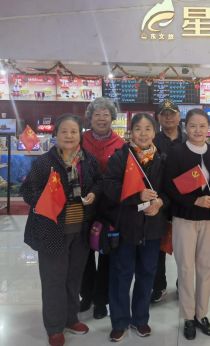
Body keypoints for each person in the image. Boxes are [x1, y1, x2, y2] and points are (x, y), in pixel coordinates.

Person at [21, 114, 104, 346]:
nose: (69, 136)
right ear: (55, 135)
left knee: (74, 278)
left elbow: (100, 181)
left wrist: (93, 193)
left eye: (74, 131)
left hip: (81, 230)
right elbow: (28, 192)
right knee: (53, 280)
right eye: (64, 131)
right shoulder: (44, 162)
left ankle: (71, 318)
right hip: (52, 230)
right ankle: (55, 327)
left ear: (80, 135)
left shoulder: (88, 159)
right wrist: (50, 198)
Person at [103, 112, 168, 342]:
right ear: (130, 132)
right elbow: (109, 186)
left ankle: (140, 319)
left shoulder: (161, 158)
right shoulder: (120, 157)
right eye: (138, 129)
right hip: (126, 226)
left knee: (147, 273)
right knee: (121, 274)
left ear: (154, 132)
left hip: (152, 227)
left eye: (148, 128)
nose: (143, 133)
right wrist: (137, 195)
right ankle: (119, 321)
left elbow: (170, 190)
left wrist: (160, 202)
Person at [164, 108, 210, 340]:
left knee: (206, 267)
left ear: (209, 128)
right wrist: (194, 200)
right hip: (184, 217)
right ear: (185, 128)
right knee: (186, 268)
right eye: (193, 126)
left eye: (202, 126)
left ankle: (202, 314)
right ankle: (188, 316)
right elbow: (169, 186)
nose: (198, 130)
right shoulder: (176, 152)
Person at [79, 97, 125, 319]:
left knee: (106, 252)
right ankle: (86, 295)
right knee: (84, 253)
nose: (101, 118)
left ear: (112, 118)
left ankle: (101, 300)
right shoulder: (80, 140)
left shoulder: (120, 144)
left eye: (106, 114)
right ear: (90, 117)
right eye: (97, 114)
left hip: (110, 207)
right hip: (82, 206)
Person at [151, 99, 188, 303]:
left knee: (184, 246)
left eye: (172, 114)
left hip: (183, 200)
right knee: (158, 244)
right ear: (158, 118)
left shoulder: (188, 139)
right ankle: (159, 286)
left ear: (179, 117)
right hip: (159, 200)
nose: (168, 117)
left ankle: (183, 285)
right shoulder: (152, 139)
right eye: (164, 114)